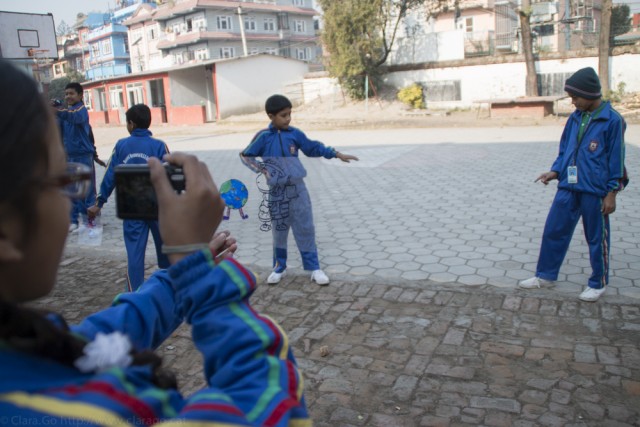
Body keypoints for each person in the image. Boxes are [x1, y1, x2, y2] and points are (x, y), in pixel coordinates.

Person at [0, 60, 310, 426]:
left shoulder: (24, 362)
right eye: (63, 180)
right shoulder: (93, 414)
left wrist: (177, 278)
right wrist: (195, 273)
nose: (70, 197)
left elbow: (89, 342)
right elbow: (271, 399)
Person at [519, 67, 628, 302]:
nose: (573, 102)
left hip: (595, 190)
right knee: (554, 230)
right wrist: (555, 171)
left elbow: (617, 161)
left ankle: (597, 283)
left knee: (596, 238)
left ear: (590, 94)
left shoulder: (613, 121)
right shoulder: (575, 117)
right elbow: (565, 150)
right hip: (568, 186)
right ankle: (545, 276)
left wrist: (612, 193)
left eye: (575, 97)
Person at [240, 94, 359, 286]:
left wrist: (336, 154)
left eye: (289, 114)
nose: (288, 119)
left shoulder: (295, 134)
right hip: (277, 193)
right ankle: (279, 267)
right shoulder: (263, 137)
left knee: (305, 228)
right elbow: (245, 156)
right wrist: (262, 170)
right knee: (279, 231)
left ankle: (314, 268)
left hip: (298, 190)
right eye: (283, 115)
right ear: (271, 116)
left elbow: (313, 148)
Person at [88, 104, 170, 292]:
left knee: (134, 257)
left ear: (131, 124)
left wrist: (99, 202)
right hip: (158, 208)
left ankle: (133, 296)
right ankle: (171, 291)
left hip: (131, 209)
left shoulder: (121, 145)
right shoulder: (159, 146)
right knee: (167, 252)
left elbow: (110, 176)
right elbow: (171, 175)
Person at [55, 82, 97, 233]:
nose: (68, 97)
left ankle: (90, 222)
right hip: (69, 157)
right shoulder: (65, 113)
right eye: (66, 94)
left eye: (72, 93)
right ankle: (74, 221)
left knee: (87, 190)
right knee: (71, 190)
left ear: (80, 95)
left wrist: (58, 110)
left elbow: (73, 117)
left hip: (83, 156)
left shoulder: (80, 110)